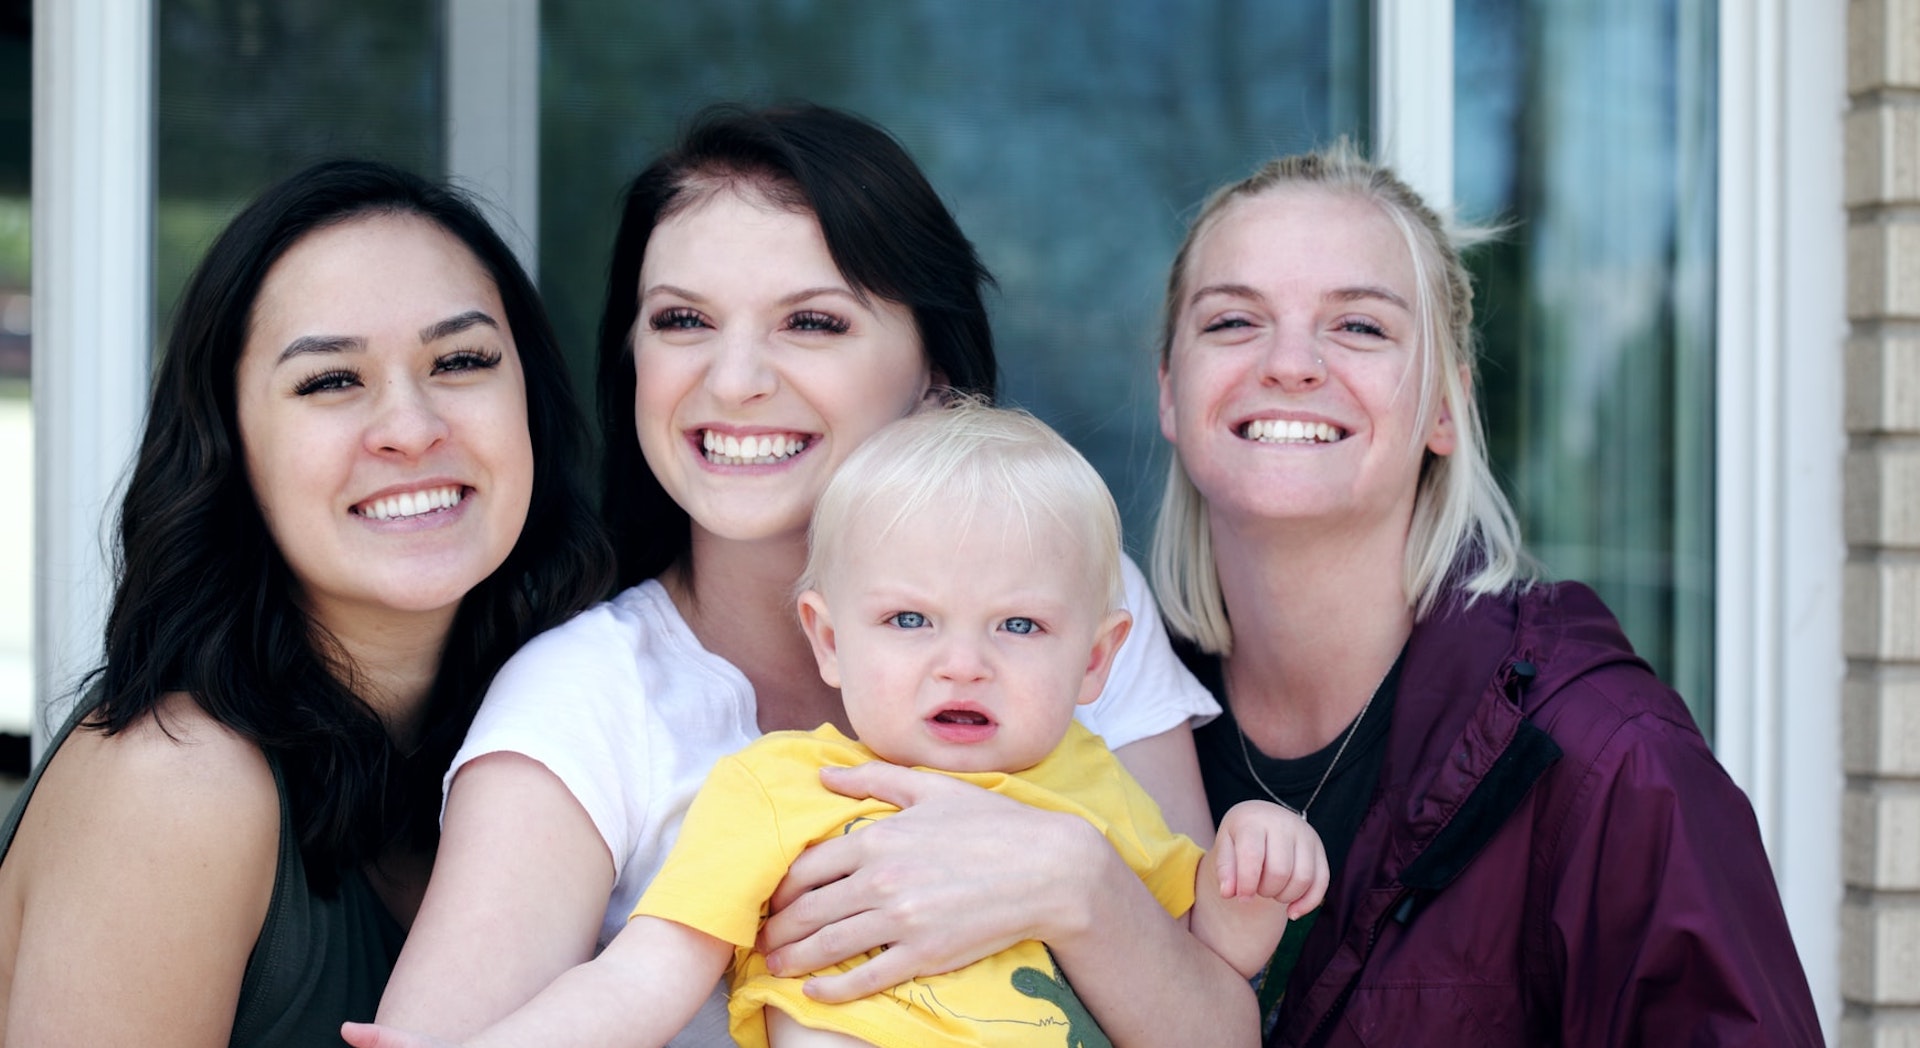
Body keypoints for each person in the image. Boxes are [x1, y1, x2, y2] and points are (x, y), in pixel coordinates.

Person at [378, 102, 1264, 1046]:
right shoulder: (588, 698)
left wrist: (1074, 880)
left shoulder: (1063, 599)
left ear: (935, 373)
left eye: (811, 321)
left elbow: (1216, 1023)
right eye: (682, 320)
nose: (734, 379)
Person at [348, 404, 1327, 1048]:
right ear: (827, 637)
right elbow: (637, 984)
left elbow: (1208, 1009)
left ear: (1096, 659)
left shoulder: (1094, 793)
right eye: (909, 619)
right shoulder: (780, 791)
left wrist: (1248, 884)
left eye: (1018, 625)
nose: (962, 661)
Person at [1150, 139, 1824, 1045]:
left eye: (1361, 326)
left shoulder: (1610, 760)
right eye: (1233, 321)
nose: (1290, 362)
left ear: (1443, 408)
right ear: (1169, 392)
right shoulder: (1096, 722)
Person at [0, 159, 612, 1046]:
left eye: (462, 360)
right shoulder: (176, 781)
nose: (410, 426)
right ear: (229, 447)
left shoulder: (556, 734)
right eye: (331, 380)